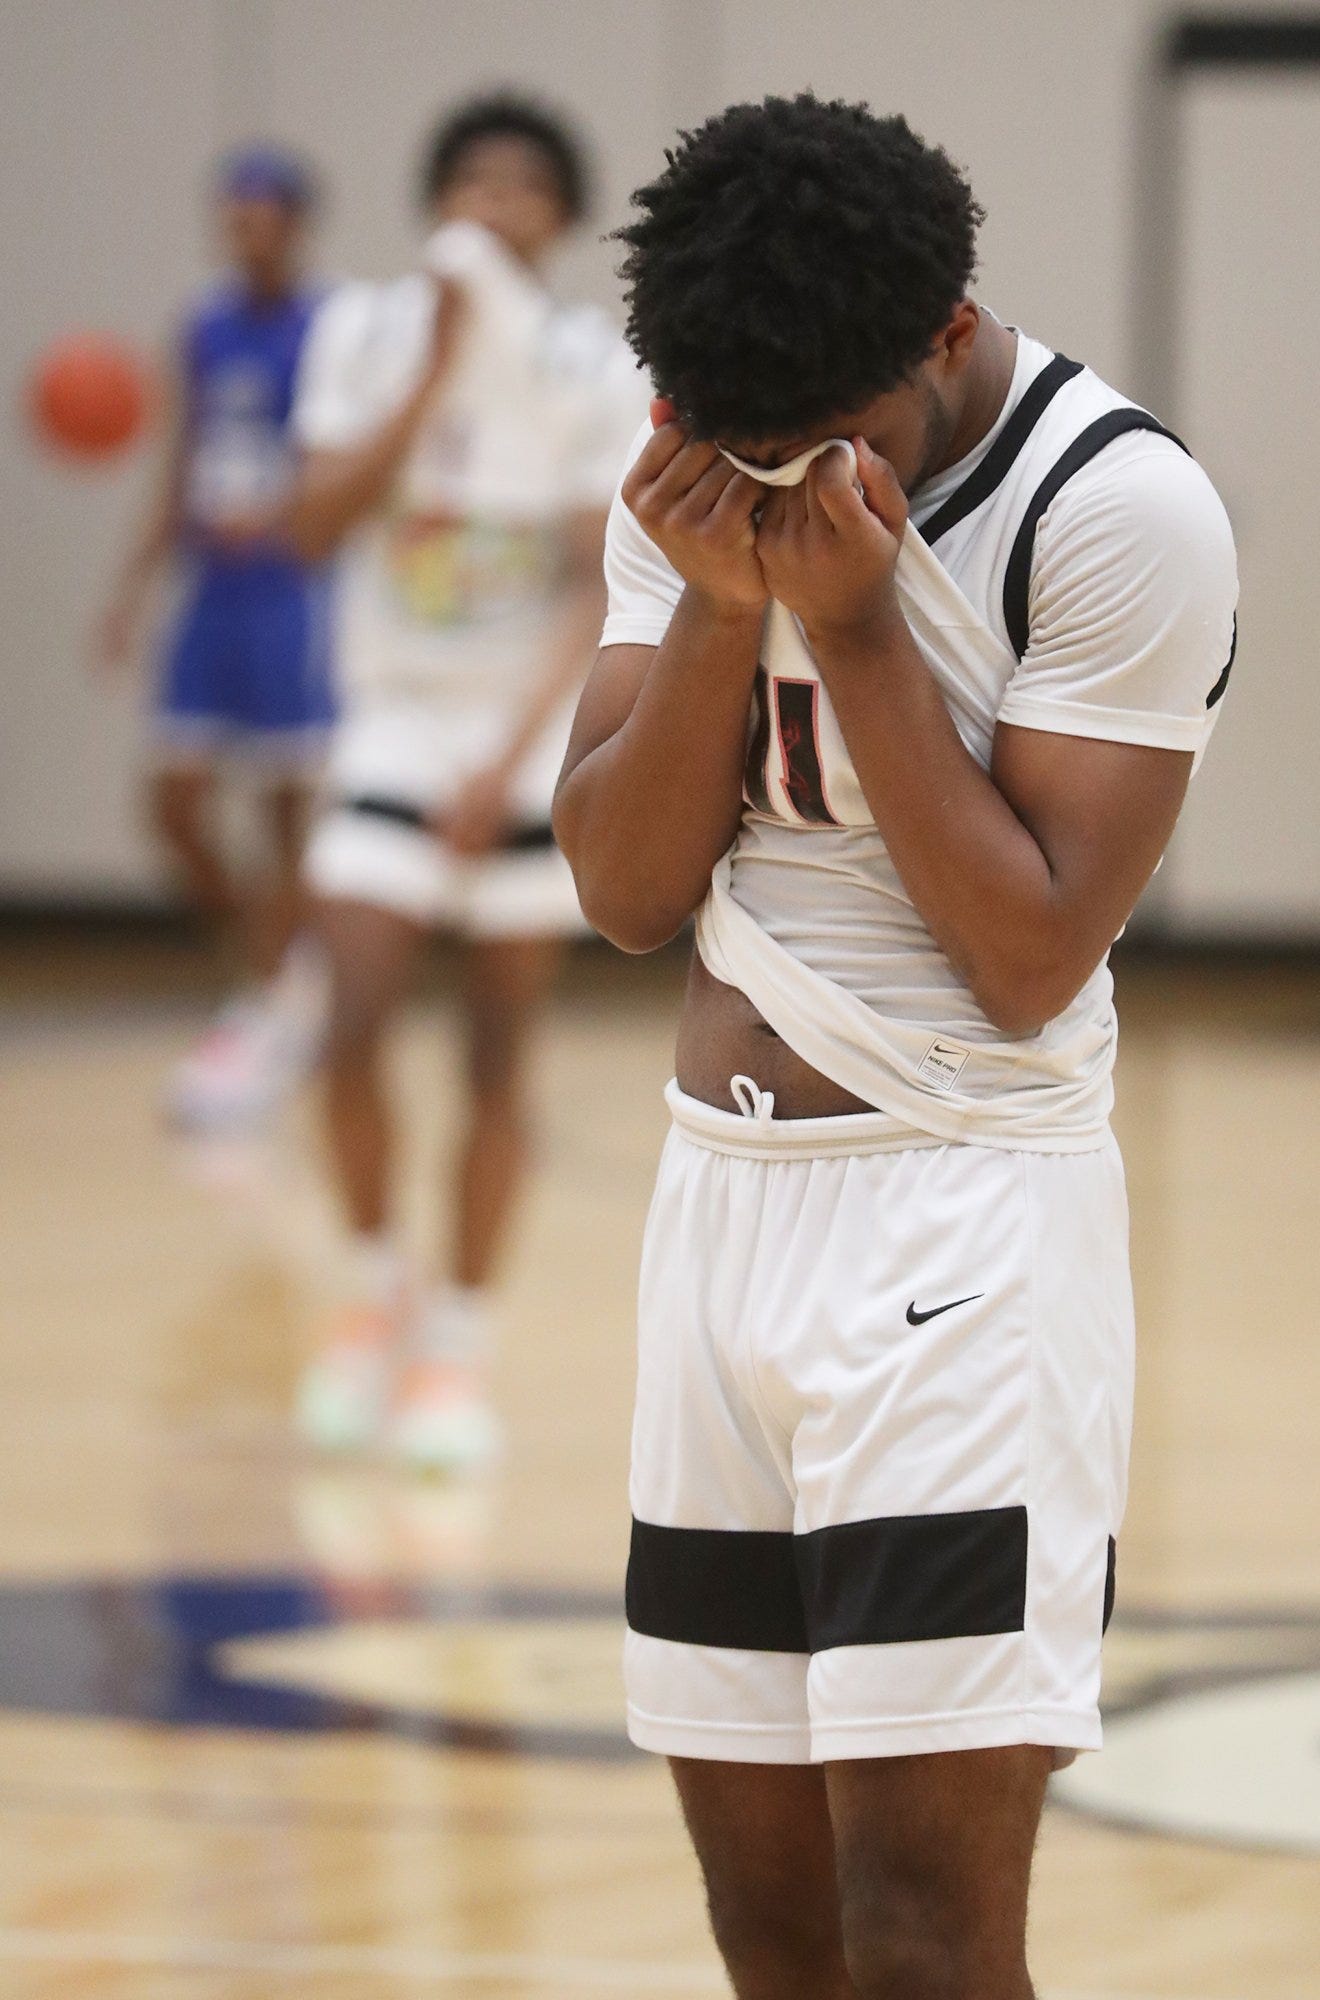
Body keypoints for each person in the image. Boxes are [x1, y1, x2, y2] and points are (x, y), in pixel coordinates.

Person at [554, 95, 1237, 2000]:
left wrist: (853, 634)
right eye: (737, 439)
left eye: (821, 439)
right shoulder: (699, 467)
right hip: (718, 1217)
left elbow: (1026, 953)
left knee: (923, 1939)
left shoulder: (1117, 506)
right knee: (771, 1931)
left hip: (963, 1229)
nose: (777, 479)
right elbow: (623, 888)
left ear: (944, 333)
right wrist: (722, 608)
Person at [286, 95, 643, 1471]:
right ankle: (374, 1293)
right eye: (473, 182)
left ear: (562, 216)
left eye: (524, 186)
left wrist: (510, 755)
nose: (496, 205)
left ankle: (459, 1345)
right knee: (351, 1021)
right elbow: (312, 523)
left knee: (499, 1054)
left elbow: (597, 578)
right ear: (435, 200)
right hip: (391, 725)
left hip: (522, 736)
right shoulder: (362, 330)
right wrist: (430, 378)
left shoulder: (587, 361)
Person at [96, 146, 335, 1130]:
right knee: (174, 802)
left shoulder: (329, 328)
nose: (246, 234)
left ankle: (275, 1005)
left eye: (262, 217)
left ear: (296, 225)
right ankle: (276, 968)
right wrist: (131, 589)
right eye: (233, 218)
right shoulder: (201, 328)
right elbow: (177, 466)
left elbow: (344, 467)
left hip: (289, 591)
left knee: (285, 812)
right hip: (210, 596)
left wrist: (279, 514)